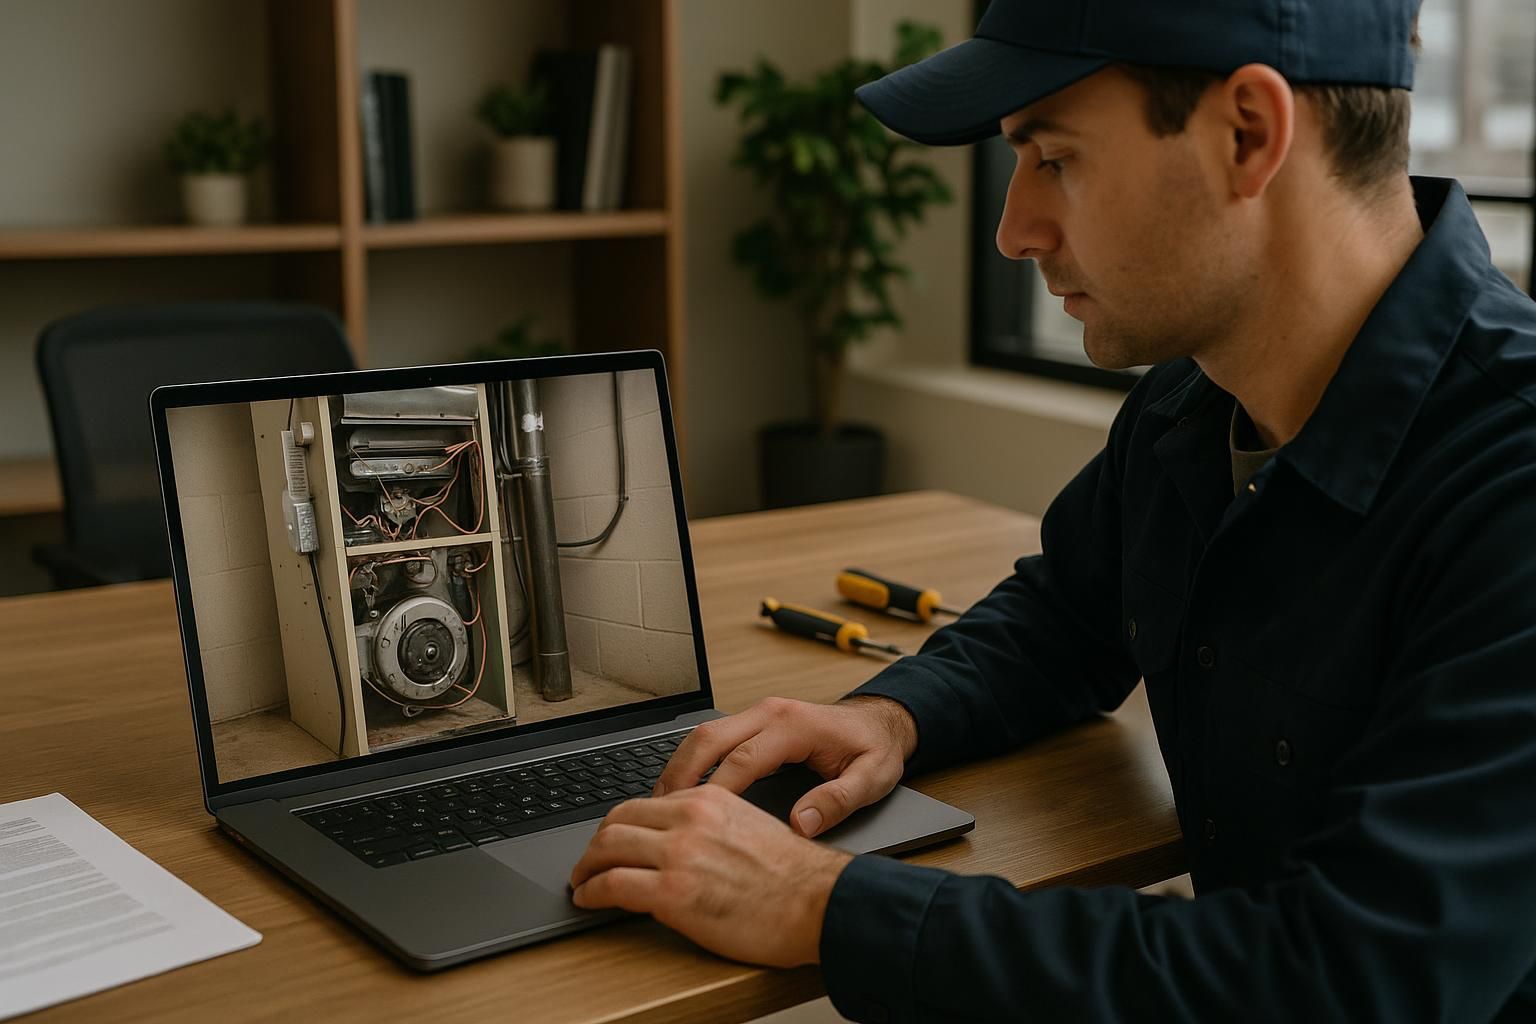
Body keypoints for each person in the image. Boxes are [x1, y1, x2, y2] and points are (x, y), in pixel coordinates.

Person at [568, 0, 1536, 1018]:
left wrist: (825, 902)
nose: (1012, 230)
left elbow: (1351, 982)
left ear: (1248, 135)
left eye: (1056, 159)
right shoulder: (1193, 401)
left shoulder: (1509, 484)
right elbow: (1066, 613)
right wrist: (891, 715)